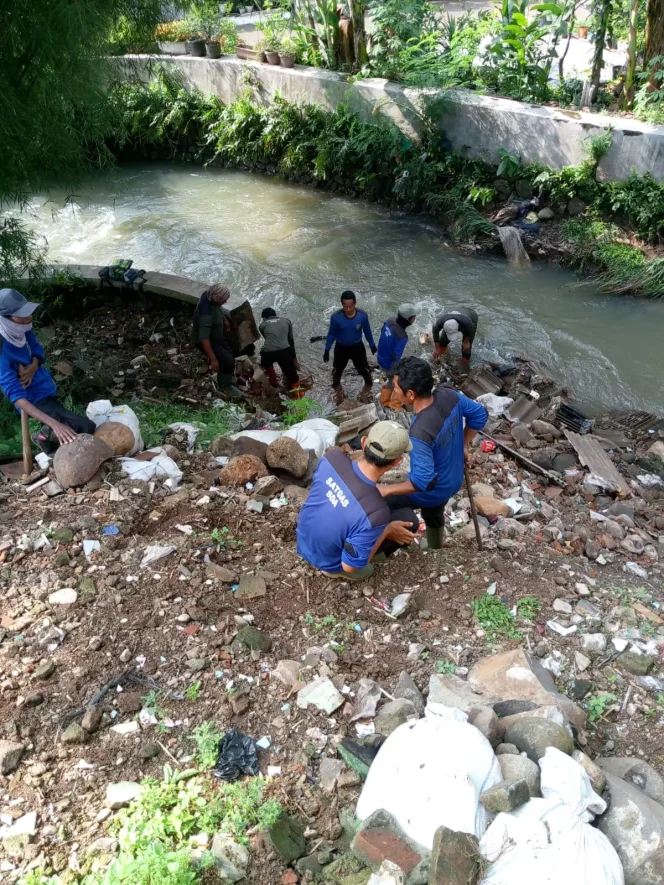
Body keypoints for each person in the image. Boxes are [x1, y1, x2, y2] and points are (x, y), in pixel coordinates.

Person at [378, 356, 488, 550]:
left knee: (380, 504)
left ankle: (378, 549)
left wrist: (386, 490)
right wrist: (462, 443)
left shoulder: (420, 431)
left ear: (410, 394)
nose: (394, 390)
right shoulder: (449, 395)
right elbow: (480, 414)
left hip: (436, 487)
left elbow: (422, 481)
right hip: (453, 477)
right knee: (433, 513)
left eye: (395, 387)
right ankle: (435, 547)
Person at [296, 421, 420, 580]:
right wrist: (386, 531)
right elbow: (351, 566)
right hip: (329, 561)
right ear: (397, 462)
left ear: (363, 442)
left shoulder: (332, 458)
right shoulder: (375, 512)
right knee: (409, 519)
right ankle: (334, 571)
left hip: (303, 538)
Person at [0, 288, 96, 454]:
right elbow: (16, 397)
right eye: (22, 316)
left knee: (75, 426)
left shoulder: (22, 328)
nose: (29, 318)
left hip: (45, 388)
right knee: (86, 427)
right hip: (33, 398)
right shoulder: (2, 351)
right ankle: (42, 437)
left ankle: (49, 435)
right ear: (6, 319)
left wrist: (34, 365)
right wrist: (54, 424)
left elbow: (37, 349)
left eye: (28, 313)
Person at [324, 290, 376, 402]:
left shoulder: (362, 315)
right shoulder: (336, 317)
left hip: (357, 347)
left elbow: (367, 331)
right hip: (341, 348)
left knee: (362, 368)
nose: (348, 309)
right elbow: (331, 334)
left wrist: (372, 345)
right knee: (338, 369)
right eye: (345, 306)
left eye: (350, 306)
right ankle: (337, 387)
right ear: (342, 305)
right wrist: (327, 349)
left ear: (355, 304)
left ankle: (368, 384)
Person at [191, 283, 241, 398]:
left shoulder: (208, 295)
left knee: (230, 354)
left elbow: (218, 308)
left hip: (216, 335)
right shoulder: (205, 314)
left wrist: (224, 319)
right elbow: (203, 338)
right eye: (223, 300)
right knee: (228, 362)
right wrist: (213, 359)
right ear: (215, 299)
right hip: (207, 340)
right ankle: (225, 387)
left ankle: (225, 376)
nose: (225, 302)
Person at [376, 303, 416, 407]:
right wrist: (396, 374)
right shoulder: (402, 336)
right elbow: (396, 357)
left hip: (380, 357)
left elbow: (382, 331)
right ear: (409, 319)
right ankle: (394, 405)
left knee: (391, 379)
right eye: (414, 316)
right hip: (388, 364)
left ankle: (383, 401)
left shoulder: (390, 320)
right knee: (399, 382)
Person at [258, 307, 302, 399]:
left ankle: (273, 381)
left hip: (268, 352)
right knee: (293, 376)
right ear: (275, 315)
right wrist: (294, 358)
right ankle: (298, 396)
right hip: (284, 351)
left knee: (266, 363)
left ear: (264, 318)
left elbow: (269, 341)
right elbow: (291, 341)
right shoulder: (287, 321)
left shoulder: (262, 325)